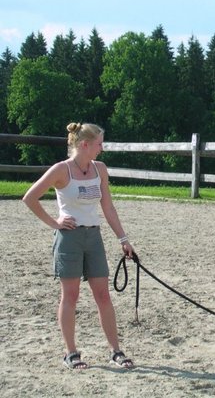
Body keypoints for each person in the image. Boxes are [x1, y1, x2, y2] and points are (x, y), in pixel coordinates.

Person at [23, 122, 135, 370]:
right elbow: (29, 198)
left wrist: (123, 239)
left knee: (103, 295)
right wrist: (55, 222)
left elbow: (108, 207)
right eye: (99, 144)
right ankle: (71, 353)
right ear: (85, 145)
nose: (101, 149)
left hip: (93, 237)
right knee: (70, 296)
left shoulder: (100, 169)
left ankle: (115, 350)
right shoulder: (61, 170)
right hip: (69, 238)